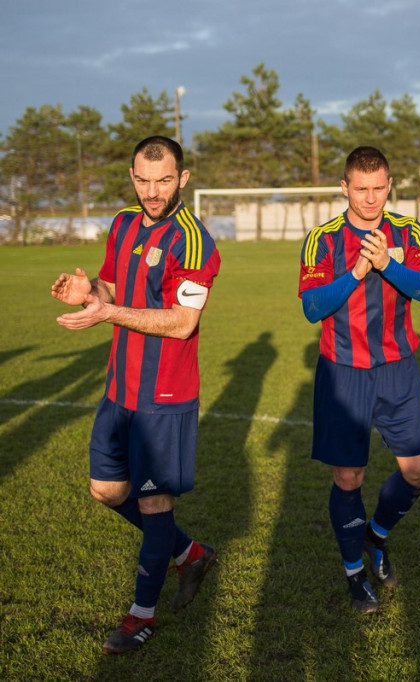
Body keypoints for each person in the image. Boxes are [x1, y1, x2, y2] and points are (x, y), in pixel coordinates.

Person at [50, 136, 221, 654]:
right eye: (143, 180)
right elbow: (113, 284)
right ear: (131, 176)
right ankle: (190, 552)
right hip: (119, 384)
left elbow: (181, 323)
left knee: (153, 502)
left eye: (164, 180)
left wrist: (104, 313)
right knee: (106, 491)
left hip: (164, 395)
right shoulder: (124, 222)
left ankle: (140, 616)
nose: (152, 191)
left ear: (183, 179)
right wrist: (92, 294)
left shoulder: (195, 241)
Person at [298, 146, 420, 615]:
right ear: (345, 188)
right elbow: (313, 308)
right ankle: (355, 574)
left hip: (398, 367)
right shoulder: (322, 239)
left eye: (379, 188)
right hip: (343, 371)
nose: (371, 198)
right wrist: (359, 270)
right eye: (361, 189)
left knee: (418, 470)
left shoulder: (408, 231)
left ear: (389, 183)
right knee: (349, 475)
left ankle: (375, 537)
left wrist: (388, 266)